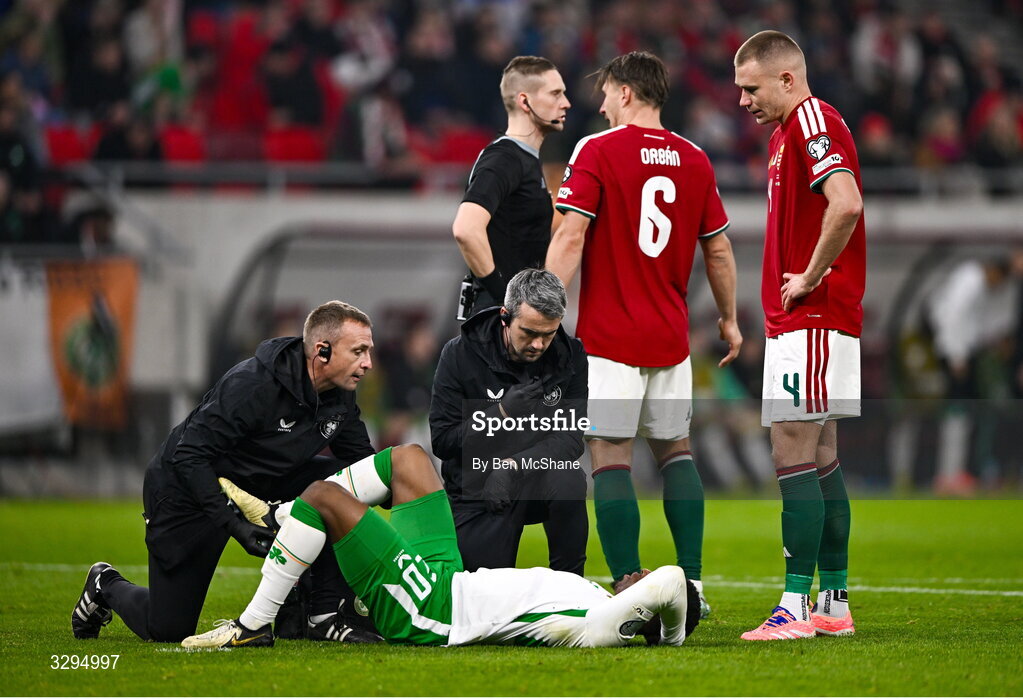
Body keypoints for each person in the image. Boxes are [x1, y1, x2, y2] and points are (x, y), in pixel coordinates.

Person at [545, 51, 741, 618]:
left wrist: (543, 315)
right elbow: (719, 248)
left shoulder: (597, 150)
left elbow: (570, 238)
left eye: (606, 93)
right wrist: (728, 320)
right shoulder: (696, 159)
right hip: (670, 339)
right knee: (677, 453)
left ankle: (629, 581)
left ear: (627, 93)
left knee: (609, 457)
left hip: (610, 338)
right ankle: (695, 584)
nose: (601, 105)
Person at [71, 301, 384, 644]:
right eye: (358, 351)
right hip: (186, 489)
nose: (368, 363)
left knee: (344, 484)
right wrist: (235, 525)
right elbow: (188, 455)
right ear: (322, 352)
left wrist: (407, 487)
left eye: (368, 351)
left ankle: (319, 613)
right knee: (168, 629)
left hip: (262, 484)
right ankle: (105, 584)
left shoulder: (341, 397)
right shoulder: (252, 385)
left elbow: (361, 467)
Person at [181, 444, 701, 649]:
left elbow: (673, 582)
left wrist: (675, 632)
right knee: (410, 459)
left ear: (645, 615)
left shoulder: (598, 629)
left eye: (643, 592)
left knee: (324, 497)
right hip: (449, 579)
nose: (640, 578)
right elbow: (665, 588)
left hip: (432, 608)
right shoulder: (596, 602)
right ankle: (282, 517)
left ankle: (250, 628)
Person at [733, 30, 866, 640]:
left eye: (751, 88)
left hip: (811, 318)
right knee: (821, 459)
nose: (743, 101)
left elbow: (846, 203)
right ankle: (832, 605)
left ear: (787, 79)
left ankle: (793, 607)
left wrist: (809, 276)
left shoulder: (811, 119)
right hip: (819, 322)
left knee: (793, 455)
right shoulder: (791, 132)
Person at [430, 268, 588, 574]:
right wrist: (500, 413)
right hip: (476, 489)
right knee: (483, 598)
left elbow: (569, 439)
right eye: (528, 333)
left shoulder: (571, 355)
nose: (539, 345)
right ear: (505, 317)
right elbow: (443, 440)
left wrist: (512, 467)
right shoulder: (459, 355)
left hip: (534, 479)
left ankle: (571, 586)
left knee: (568, 477)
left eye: (548, 333)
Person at [452, 55, 571, 319]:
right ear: (525, 101)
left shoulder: (524, 159)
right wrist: (507, 300)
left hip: (507, 320)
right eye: (555, 94)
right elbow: (466, 229)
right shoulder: (505, 159)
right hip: (497, 325)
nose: (566, 103)